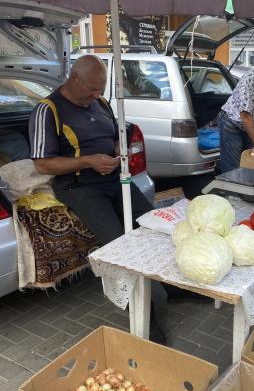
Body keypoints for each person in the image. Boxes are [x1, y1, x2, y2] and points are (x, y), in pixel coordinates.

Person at [28, 54, 168, 342]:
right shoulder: (48, 109)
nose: (96, 95)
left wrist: (118, 149)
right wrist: (89, 161)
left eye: (100, 90)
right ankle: (145, 318)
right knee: (119, 245)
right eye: (91, 89)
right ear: (74, 78)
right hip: (79, 187)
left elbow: (115, 134)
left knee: (153, 226)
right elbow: (42, 164)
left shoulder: (100, 103)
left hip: (114, 178)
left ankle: (174, 290)